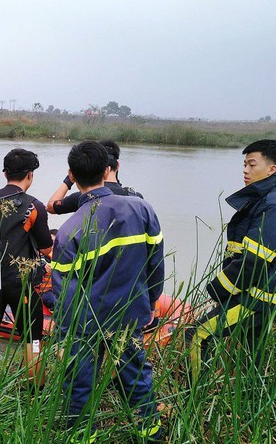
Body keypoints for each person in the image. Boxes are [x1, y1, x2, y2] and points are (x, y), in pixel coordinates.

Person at [51, 141, 164, 440]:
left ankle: (81, 436)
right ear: (106, 170)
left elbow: (65, 293)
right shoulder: (142, 209)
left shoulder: (69, 230)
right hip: (130, 315)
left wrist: (65, 334)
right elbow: (155, 262)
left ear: (72, 176)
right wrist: (151, 301)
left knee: (79, 385)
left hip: (86, 323)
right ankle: (150, 434)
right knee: (136, 378)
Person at [185, 139, 276, 381]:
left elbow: (252, 263)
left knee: (198, 334)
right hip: (262, 295)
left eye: (252, 164)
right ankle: (251, 400)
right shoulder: (265, 199)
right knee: (252, 353)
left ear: (272, 170)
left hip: (259, 298)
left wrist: (218, 289)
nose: (245, 170)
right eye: (244, 164)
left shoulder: (275, 206)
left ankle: (192, 399)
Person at [0, 149, 53, 392]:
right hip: (21, 282)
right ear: (30, 175)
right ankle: (34, 394)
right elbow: (47, 248)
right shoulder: (34, 206)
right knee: (32, 339)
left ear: (5, 173)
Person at [47, 139, 142, 215]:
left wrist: (69, 180)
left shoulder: (83, 197)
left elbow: (50, 207)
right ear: (117, 166)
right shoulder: (135, 198)